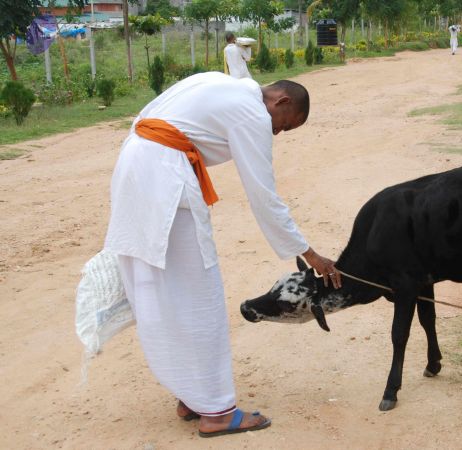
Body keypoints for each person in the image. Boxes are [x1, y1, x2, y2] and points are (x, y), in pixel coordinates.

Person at [104, 72, 342, 438]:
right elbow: (264, 197)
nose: (277, 133)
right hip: (164, 178)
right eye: (285, 126)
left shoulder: (223, 84)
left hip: (139, 168)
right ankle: (215, 411)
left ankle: (192, 395)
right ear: (281, 102)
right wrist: (310, 254)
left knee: (172, 290)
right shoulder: (253, 113)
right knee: (202, 297)